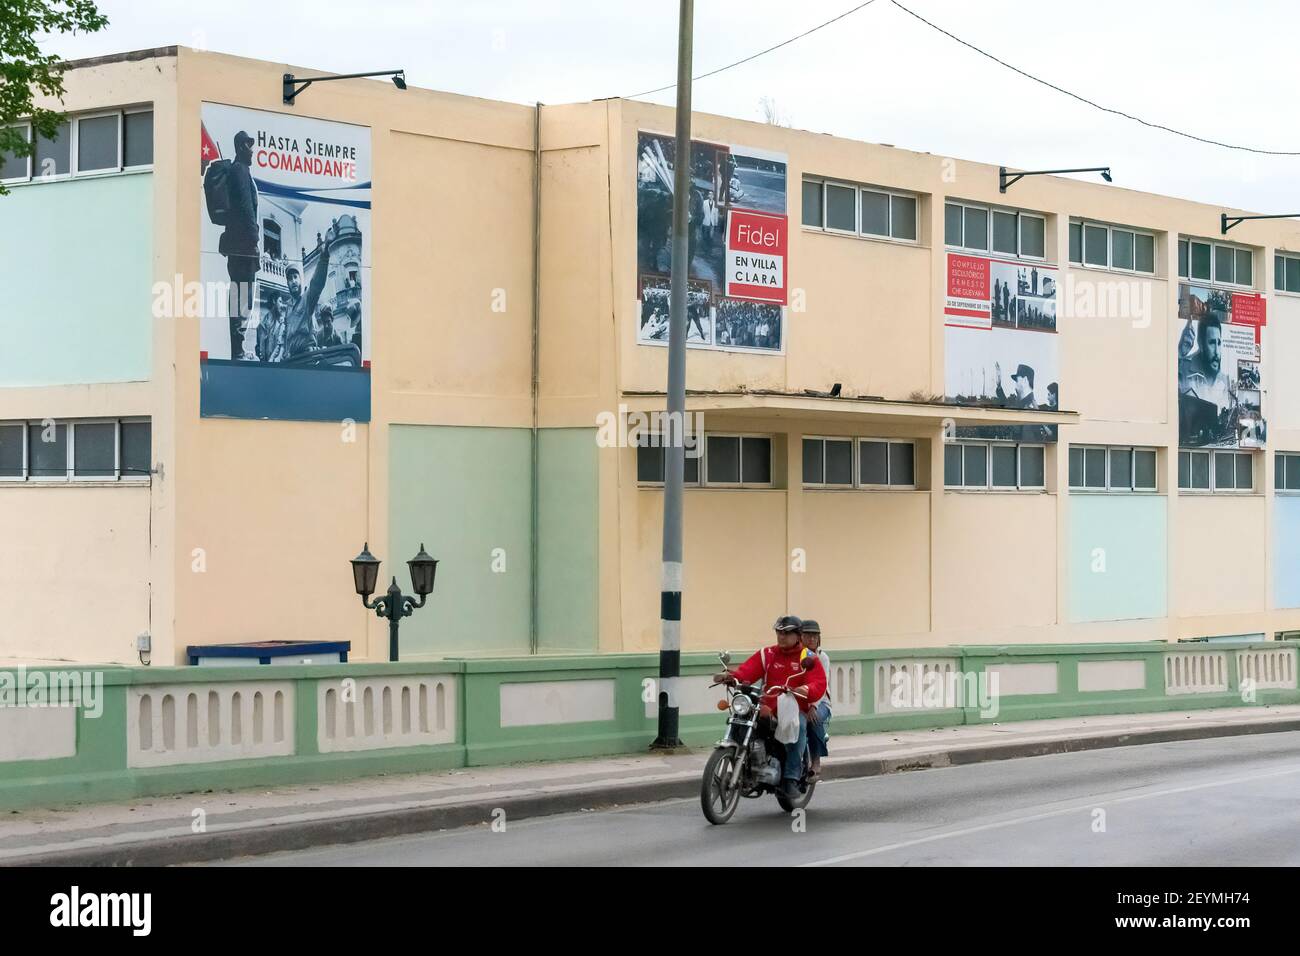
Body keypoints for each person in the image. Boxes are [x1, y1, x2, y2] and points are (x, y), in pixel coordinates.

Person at [713, 615, 826, 799]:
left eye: (787, 633)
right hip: (768, 704)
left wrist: (805, 689)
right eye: (779, 632)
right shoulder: (768, 654)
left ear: (797, 635)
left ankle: (791, 778)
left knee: (800, 726)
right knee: (743, 717)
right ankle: (745, 761)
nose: (782, 636)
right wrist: (732, 677)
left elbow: (818, 682)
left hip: (794, 706)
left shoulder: (808, 657)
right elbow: (748, 670)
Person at [221, 130, 260, 359]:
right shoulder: (239, 170)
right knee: (241, 296)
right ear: (240, 147)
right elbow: (246, 209)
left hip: (241, 247)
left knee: (242, 295)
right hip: (243, 248)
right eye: (249, 146)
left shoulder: (241, 171)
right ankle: (238, 349)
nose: (252, 150)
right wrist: (254, 240)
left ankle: (239, 347)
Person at [284, 226, 335, 359]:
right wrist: (284, 352)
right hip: (293, 359)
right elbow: (286, 335)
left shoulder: (307, 299)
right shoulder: (288, 308)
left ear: (300, 280)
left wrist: (324, 255)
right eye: (289, 279)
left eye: (295, 277)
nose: (293, 281)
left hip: (307, 356)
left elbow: (317, 284)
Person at [1178, 314, 1236, 414]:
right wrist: (1179, 352)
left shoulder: (1226, 382)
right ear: (1201, 344)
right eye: (1212, 343)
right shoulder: (1183, 368)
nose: (1217, 352)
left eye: (1218, 343)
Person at [800, 619, 831, 779]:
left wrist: (813, 706)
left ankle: (816, 761)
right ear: (801, 637)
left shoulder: (822, 657)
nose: (812, 639)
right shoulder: (797, 656)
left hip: (820, 702)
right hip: (799, 701)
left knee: (814, 719)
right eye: (808, 635)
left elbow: (821, 684)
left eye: (815, 635)